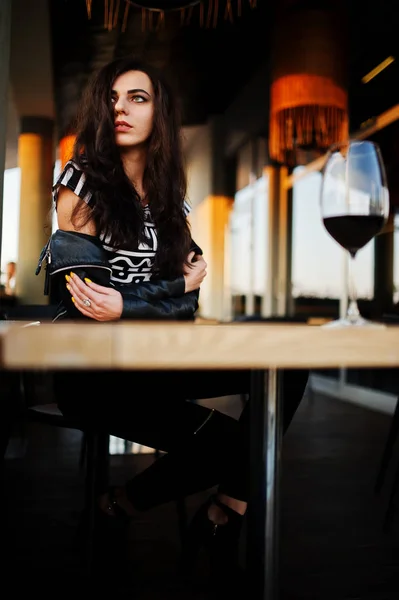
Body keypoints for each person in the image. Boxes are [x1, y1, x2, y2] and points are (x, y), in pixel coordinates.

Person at [43, 56, 309, 589]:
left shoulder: (172, 202)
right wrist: (168, 290)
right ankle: (126, 504)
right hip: (94, 373)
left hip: (158, 363)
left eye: (137, 98)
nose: (121, 108)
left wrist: (138, 302)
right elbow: (91, 306)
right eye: (113, 98)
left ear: (159, 112)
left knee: (291, 365)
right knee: (234, 445)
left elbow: (180, 308)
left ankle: (225, 508)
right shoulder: (80, 184)